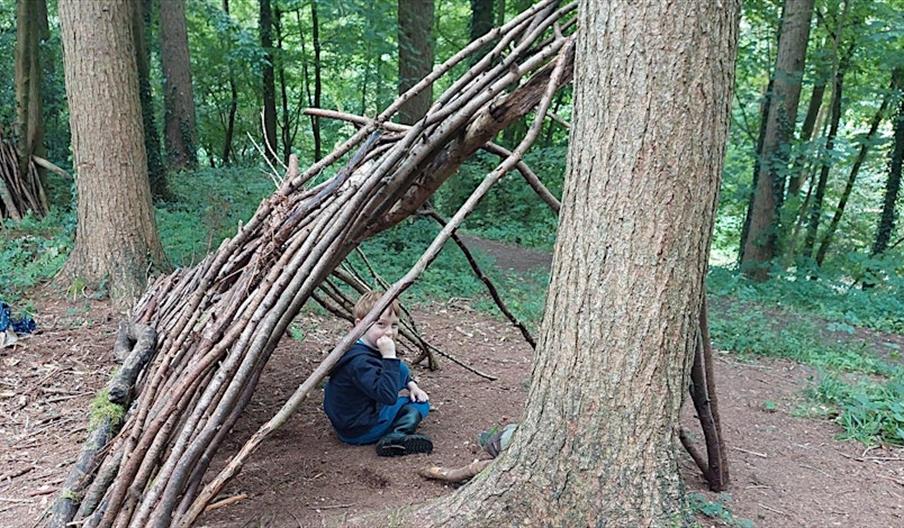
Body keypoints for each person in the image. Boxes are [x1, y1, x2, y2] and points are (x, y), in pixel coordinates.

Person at [323, 292, 433, 456]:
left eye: (394, 325)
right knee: (420, 405)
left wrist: (411, 385)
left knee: (411, 392)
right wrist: (389, 356)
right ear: (361, 325)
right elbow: (388, 396)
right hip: (361, 429)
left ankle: (393, 432)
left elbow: (399, 369)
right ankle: (396, 438)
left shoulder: (355, 349)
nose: (389, 332)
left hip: (349, 424)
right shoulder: (360, 362)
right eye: (381, 324)